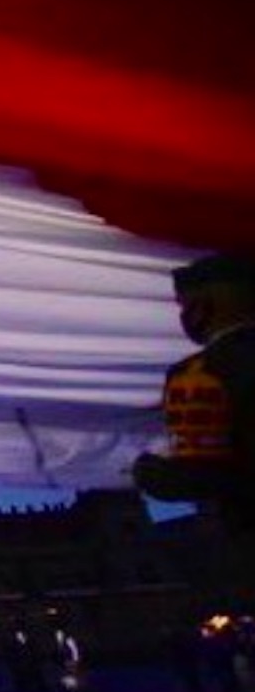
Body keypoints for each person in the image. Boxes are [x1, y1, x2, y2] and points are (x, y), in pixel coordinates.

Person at [134, 253, 255, 614]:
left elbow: (201, 472)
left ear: (207, 305)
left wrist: (150, 473)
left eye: (185, 306)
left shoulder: (200, 373)